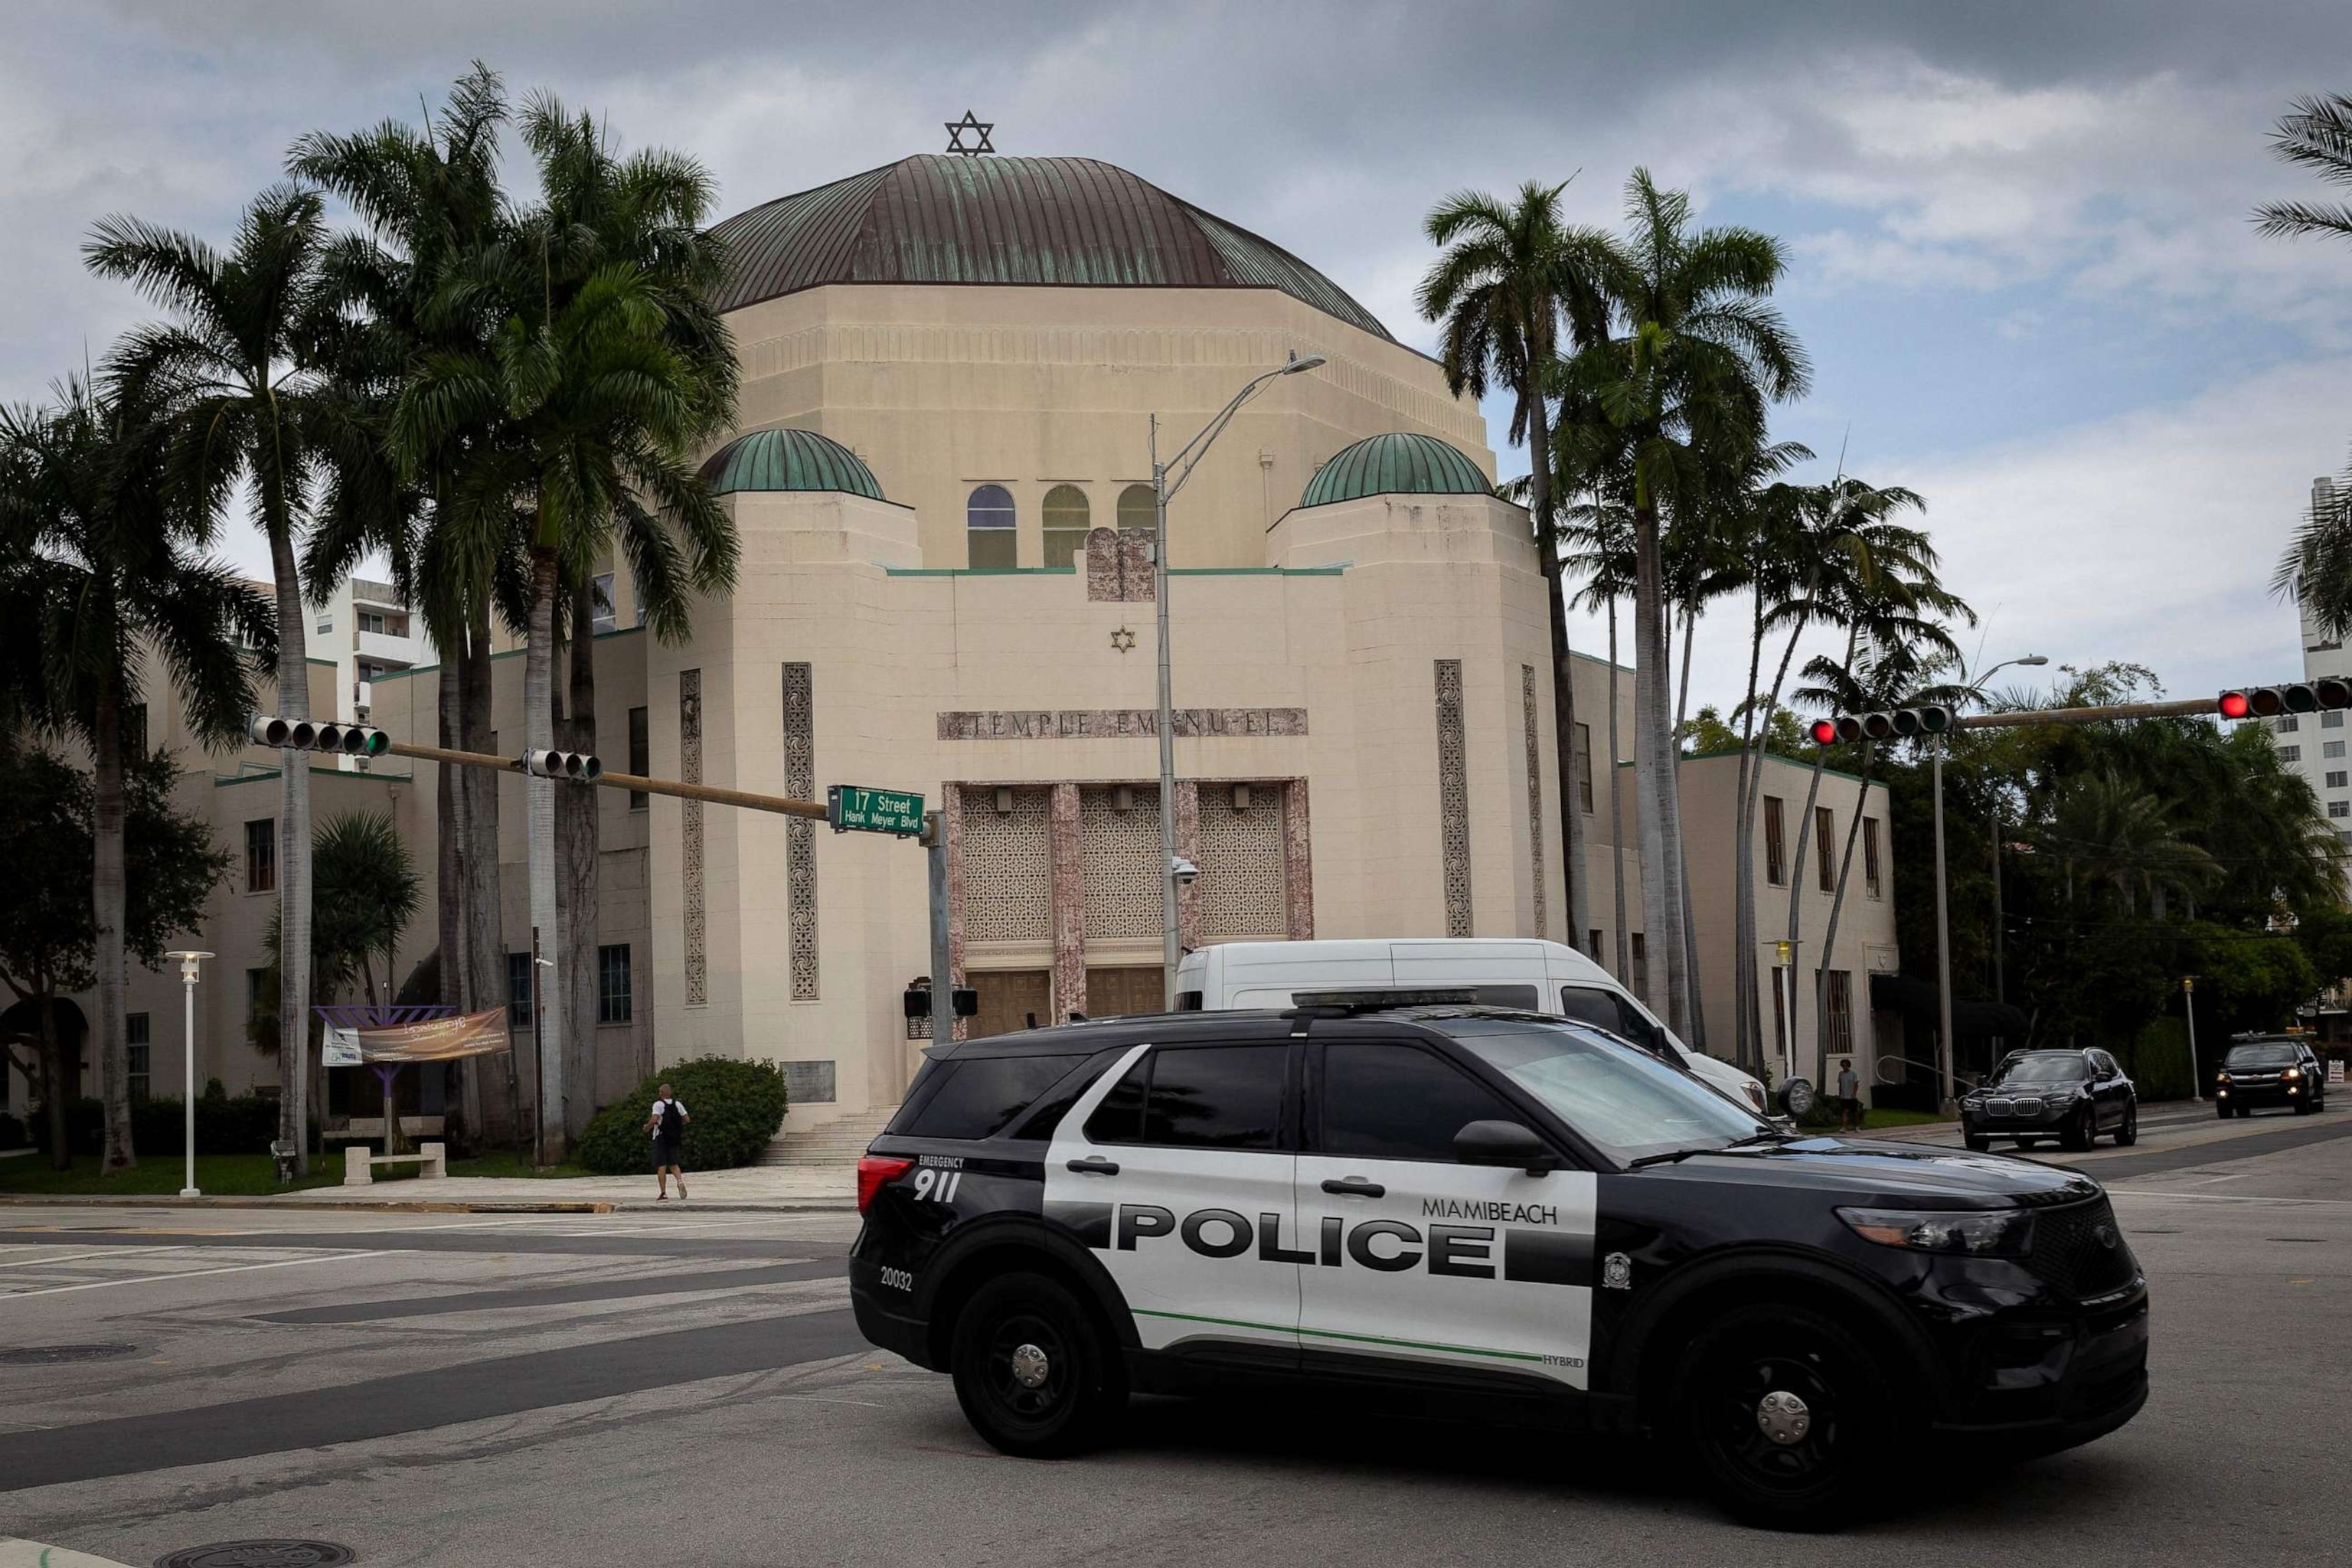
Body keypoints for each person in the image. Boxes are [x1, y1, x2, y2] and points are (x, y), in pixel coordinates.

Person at [645, 1083, 691, 1200]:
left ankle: (663, 1193)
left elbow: (654, 1119)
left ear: (661, 1093)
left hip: (660, 1137)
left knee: (662, 1165)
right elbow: (687, 1119)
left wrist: (647, 1127)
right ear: (670, 1093)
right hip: (673, 1138)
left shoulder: (658, 1104)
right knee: (674, 1163)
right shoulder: (677, 1104)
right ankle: (680, 1181)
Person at [1836, 1058, 1861, 1132]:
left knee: (1855, 1112)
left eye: (1846, 1066)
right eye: (1843, 1066)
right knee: (1845, 1111)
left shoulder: (1853, 1074)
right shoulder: (1841, 1074)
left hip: (1852, 1096)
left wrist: (1854, 1093)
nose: (1844, 1067)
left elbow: (1856, 1084)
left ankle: (1857, 1126)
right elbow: (1840, 1085)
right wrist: (1840, 1094)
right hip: (1844, 1096)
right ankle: (1844, 1127)